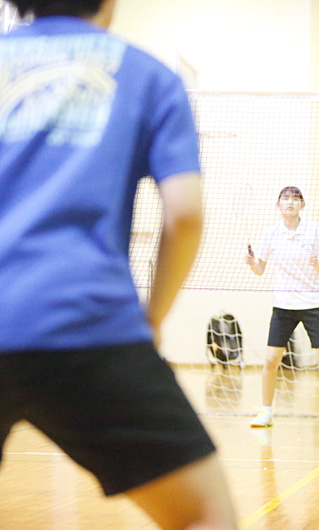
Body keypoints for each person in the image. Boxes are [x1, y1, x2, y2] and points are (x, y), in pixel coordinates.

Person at [0, 1, 237, 529]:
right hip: (88, 324)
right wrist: (151, 320)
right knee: (204, 515)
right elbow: (186, 214)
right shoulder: (147, 74)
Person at [245, 186, 319, 430]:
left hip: (312, 303)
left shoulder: (313, 229)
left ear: (302, 204)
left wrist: (318, 262)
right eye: (285, 198)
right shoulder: (271, 233)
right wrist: (252, 263)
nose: (290, 202)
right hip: (283, 305)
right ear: (278, 205)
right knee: (271, 360)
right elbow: (259, 269)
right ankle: (267, 411)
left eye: (295, 198)